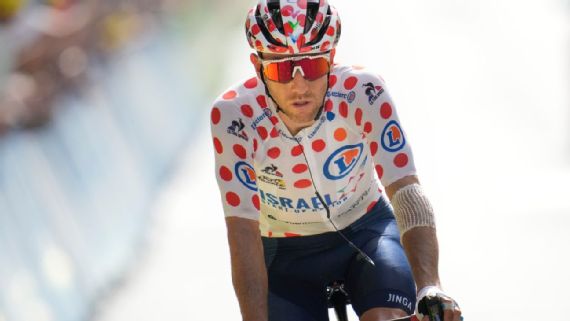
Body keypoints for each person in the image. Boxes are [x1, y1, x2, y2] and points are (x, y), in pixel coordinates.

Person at [210, 1, 462, 321]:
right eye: (281, 69)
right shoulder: (234, 116)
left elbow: (406, 188)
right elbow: (241, 230)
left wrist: (430, 286)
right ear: (258, 67)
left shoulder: (363, 90)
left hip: (367, 234)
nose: (299, 86)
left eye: (312, 67)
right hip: (284, 255)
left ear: (331, 59)